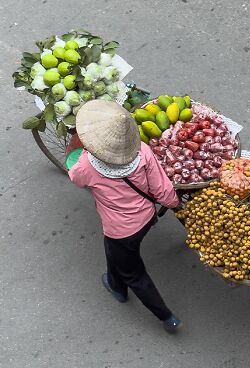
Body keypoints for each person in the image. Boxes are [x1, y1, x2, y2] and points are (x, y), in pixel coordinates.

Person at [68, 100, 182, 333]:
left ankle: (166, 316)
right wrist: (176, 206)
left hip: (120, 230)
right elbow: (163, 191)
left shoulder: (86, 167)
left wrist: (78, 151)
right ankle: (115, 285)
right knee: (115, 253)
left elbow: (76, 179)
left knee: (134, 272)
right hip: (147, 218)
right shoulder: (143, 151)